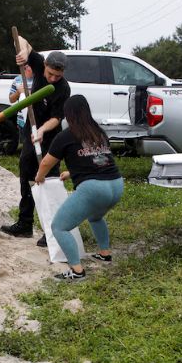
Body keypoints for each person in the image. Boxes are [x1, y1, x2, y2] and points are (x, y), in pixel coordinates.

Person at [34, 95, 123, 281]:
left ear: (68, 115)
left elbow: (45, 163)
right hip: (116, 184)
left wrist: (39, 178)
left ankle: (76, 271)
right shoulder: (98, 131)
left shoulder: (66, 136)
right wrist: (71, 173)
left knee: (59, 227)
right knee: (95, 216)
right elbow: (96, 159)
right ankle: (105, 253)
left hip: (94, 188)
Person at [0, 36, 71, 248]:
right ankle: (25, 223)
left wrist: (41, 130)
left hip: (50, 136)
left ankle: (51, 230)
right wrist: (23, 51)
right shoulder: (39, 63)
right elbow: (22, 40)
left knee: (48, 180)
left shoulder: (63, 88)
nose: (52, 79)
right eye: (50, 74)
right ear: (45, 66)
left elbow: (57, 118)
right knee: (26, 174)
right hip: (30, 130)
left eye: (58, 76)